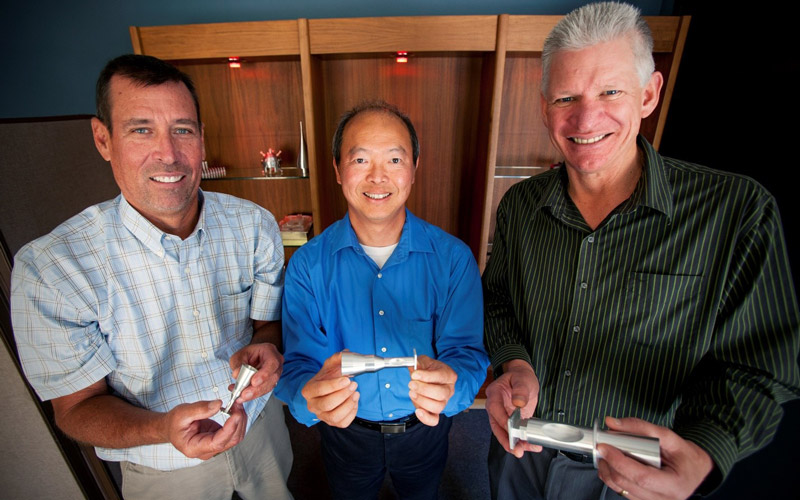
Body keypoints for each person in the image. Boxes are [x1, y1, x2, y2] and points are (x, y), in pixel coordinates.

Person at [482, 2, 800, 500]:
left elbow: (759, 367)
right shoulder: (521, 205)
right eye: (566, 96)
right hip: (521, 456)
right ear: (545, 107)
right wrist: (514, 364)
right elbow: (498, 298)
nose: (587, 117)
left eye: (611, 91)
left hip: (634, 479)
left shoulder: (737, 211)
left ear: (649, 93)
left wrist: (708, 452)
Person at [11, 54, 293, 500]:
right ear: (103, 139)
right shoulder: (53, 269)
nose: (169, 153)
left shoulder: (254, 224)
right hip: (162, 465)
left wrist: (269, 347)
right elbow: (76, 407)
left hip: (261, 429)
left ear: (200, 137)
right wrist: (163, 426)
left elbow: (266, 325)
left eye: (182, 129)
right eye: (141, 129)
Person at [274, 100, 489, 500]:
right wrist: (309, 398)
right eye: (360, 159)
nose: (377, 177)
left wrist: (452, 389)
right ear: (338, 169)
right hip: (344, 436)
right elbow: (298, 366)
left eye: (394, 159)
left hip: (425, 430)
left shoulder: (453, 259)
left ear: (413, 169)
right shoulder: (306, 265)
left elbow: (468, 354)